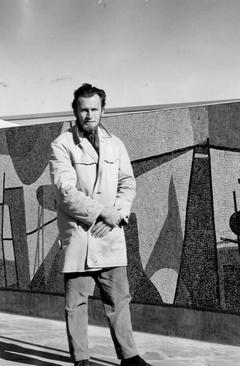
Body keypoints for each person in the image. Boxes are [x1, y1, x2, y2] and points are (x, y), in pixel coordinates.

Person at [49, 83, 150, 366]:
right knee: (76, 305)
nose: (89, 115)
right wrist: (102, 213)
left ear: (103, 110)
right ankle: (81, 361)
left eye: (95, 109)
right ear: (75, 112)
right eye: (84, 110)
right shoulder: (62, 145)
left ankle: (130, 358)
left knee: (119, 300)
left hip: (110, 234)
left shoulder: (116, 145)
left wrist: (117, 214)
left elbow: (127, 182)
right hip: (80, 237)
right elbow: (65, 193)